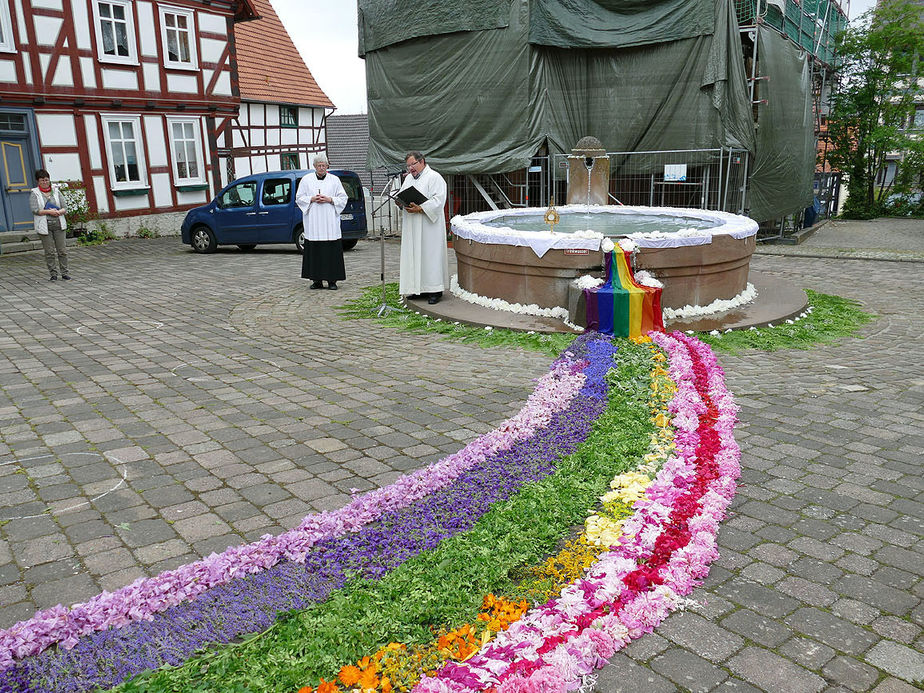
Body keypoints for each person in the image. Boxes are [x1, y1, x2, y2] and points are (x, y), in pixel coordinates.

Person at [398, 151, 449, 304]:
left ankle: (434, 290)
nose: (410, 168)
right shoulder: (408, 179)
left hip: (428, 227)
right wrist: (400, 201)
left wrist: (421, 208)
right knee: (414, 254)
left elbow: (439, 200)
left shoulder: (434, 177)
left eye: (413, 164)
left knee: (430, 256)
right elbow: (403, 194)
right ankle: (417, 288)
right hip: (412, 224)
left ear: (422, 162)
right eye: (408, 166)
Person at [295, 154, 348, 289]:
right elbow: (299, 198)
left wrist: (330, 199)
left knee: (331, 252)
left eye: (324, 165)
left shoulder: (334, 180)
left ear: (327, 166)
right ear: (314, 166)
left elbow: (343, 198)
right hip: (313, 223)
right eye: (319, 165)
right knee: (315, 252)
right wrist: (312, 199)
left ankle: (332, 281)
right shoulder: (306, 180)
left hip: (330, 223)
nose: (321, 168)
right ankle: (316, 280)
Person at [30, 169, 70, 281]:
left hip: (58, 224)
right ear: (38, 181)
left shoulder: (56, 191)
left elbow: (64, 207)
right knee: (49, 252)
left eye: (46, 180)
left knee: (62, 250)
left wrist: (58, 212)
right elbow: (35, 210)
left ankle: (65, 272)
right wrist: (48, 212)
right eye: (42, 180)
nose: (45, 182)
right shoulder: (34, 193)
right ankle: (53, 274)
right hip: (44, 225)